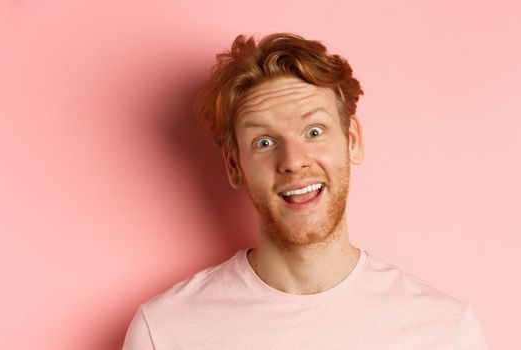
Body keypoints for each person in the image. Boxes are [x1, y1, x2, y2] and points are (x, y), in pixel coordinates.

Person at [121, 32, 489, 349]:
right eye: (264, 142)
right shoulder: (166, 332)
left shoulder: (444, 331)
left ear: (353, 141)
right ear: (234, 165)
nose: (294, 161)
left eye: (314, 132)